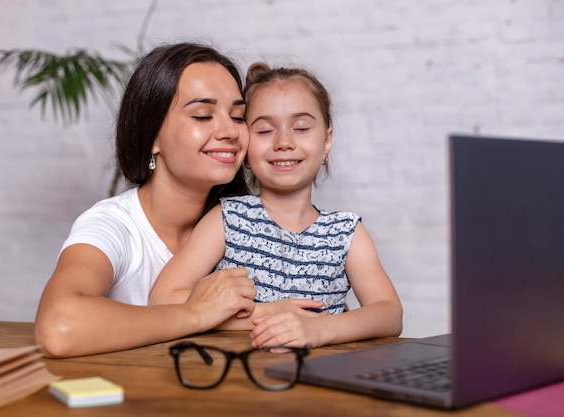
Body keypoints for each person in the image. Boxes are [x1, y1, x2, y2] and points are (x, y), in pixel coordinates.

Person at [149, 62, 403, 349]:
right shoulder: (228, 219)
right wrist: (262, 315)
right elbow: (164, 297)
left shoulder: (345, 232)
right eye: (265, 130)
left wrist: (319, 330)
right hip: (235, 378)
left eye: (301, 127)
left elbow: (389, 314)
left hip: (319, 380)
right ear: (244, 146)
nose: (284, 142)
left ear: (327, 140)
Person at [33, 42, 262, 358]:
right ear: (151, 135)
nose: (230, 131)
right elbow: (59, 327)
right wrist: (197, 313)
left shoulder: (251, 223)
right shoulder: (113, 225)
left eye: (238, 117)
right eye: (202, 115)